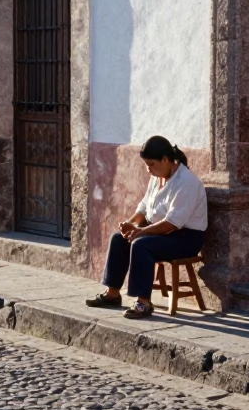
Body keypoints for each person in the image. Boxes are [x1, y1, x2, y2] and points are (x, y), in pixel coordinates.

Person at [86, 136, 207, 318]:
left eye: (151, 164)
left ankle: (143, 302)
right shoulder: (157, 176)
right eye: (146, 165)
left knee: (141, 245)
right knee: (119, 239)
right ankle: (112, 294)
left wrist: (141, 232)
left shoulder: (187, 182)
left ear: (165, 159)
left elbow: (172, 223)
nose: (148, 169)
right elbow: (144, 207)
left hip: (185, 238)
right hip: (161, 233)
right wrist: (131, 224)